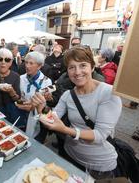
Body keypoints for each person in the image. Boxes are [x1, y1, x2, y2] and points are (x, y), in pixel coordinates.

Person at [31, 46, 122, 180]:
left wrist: (66, 130)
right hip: (69, 156)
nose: (77, 72)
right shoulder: (68, 95)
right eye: (72, 67)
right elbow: (53, 118)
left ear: (92, 67)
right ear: (67, 71)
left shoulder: (108, 93)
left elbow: (100, 135)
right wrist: (41, 108)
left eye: (83, 65)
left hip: (97, 166)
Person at [16, 51, 52, 137]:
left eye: (31, 63)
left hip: (36, 118)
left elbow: (45, 105)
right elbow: (19, 97)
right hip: (21, 114)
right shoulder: (21, 78)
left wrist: (34, 106)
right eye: (26, 62)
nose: (27, 66)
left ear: (39, 66)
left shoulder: (46, 81)